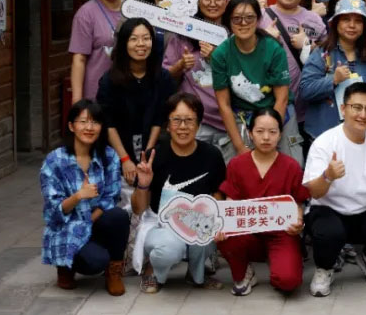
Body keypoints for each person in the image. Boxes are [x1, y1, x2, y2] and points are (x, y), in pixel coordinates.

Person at [303, 83, 366, 297]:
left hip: (363, 209)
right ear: (343, 109)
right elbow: (314, 192)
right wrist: (328, 176)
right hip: (328, 209)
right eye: (356, 107)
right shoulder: (325, 142)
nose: (363, 114)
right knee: (329, 233)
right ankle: (325, 268)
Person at [131, 93, 226, 293]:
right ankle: (153, 271)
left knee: (206, 234)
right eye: (176, 120)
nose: (183, 127)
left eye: (189, 120)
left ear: (198, 124)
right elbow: (138, 208)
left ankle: (196, 275)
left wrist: (217, 219)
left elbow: (218, 193)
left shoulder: (212, 155)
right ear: (168, 125)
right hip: (160, 224)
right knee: (170, 248)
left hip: (197, 220)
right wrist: (143, 185)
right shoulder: (153, 156)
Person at [217, 108, 310, 296]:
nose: (266, 137)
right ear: (250, 133)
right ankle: (245, 273)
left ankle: (279, 261)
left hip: (281, 234)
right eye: (260, 131)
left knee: (288, 281)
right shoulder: (237, 164)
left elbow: (298, 202)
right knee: (226, 236)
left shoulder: (291, 166)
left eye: (272, 132)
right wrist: (223, 225)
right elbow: (230, 202)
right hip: (247, 231)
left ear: (280, 134)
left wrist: (298, 222)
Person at [40, 99, 129, 295]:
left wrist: (89, 220)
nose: (89, 127)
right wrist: (78, 196)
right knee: (95, 261)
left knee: (119, 216)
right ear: (71, 126)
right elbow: (53, 212)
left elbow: (111, 197)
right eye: (83, 122)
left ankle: (114, 272)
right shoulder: (55, 161)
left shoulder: (109, 156)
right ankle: (65, 266)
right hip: (66, 228)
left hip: (94, 220)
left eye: (95, 122)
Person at [211, 0, 300, 163]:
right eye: (236, 18)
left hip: (278, 111)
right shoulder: (220, 55)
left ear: (258, 20)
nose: (243, 23)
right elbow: (224, 105)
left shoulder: (274, 49)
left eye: (249, 18)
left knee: (289, 165)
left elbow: (281, 99)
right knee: (237, 165)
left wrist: (271, 135)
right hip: (243, 114)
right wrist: (239, 147)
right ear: (228, 21)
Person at [96, 18, 176, 187]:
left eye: (146, 38)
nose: (141, 44)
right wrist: (124, 159)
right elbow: (108, 123)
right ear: (124, 43)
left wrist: (147, 156)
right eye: (134, 39)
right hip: (119, 150)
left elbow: (159, 119)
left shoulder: (163, 77)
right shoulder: (109, 80)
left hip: (153, 150)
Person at [164, 0, 233, 162]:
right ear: (198, 1)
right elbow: (165, 76)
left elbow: (244, 76)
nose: (212, 4)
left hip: (229, 121)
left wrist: (216, 58)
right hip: (195, 122)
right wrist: (180, 65)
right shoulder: (183, 34)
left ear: (227, 2)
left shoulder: (235, 33)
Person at [259, 0, 328, 149]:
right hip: (265, 109)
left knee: (296, 158)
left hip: (305, 113)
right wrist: (263, 38)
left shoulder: (314, 19)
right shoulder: (259, 17)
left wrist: (309, 45)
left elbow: (329, 58)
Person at [299, 0, 366, 140]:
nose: (352, 25)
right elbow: (305, 90)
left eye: (358, 21)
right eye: (346, 19)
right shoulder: (322, 54)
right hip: (324, 135)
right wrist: (333, 80)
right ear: (336, 23)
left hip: (362, 135)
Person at [69, 0, 126, 103]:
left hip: (129, 92)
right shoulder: (86, 13)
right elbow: (79, 59)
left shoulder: (133, 10)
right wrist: (77, 100)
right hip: (96, 93)